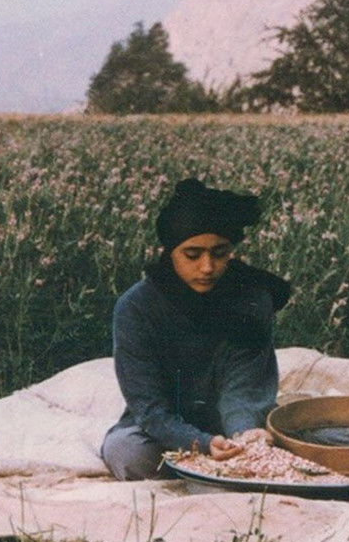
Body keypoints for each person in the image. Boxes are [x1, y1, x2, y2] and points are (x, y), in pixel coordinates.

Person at [100, 177, 292, 480]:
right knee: (127, 452)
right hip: (165, 431)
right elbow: (148, 407)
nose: (207, 267)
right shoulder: (136, 307)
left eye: (219, 253)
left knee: (329, 441)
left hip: (237, 424)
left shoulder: (252, 296)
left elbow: (243, 387)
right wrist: (199, 443)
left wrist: (243, 437)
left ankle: (230, 465)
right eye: (192, 255)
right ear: (170, 252)